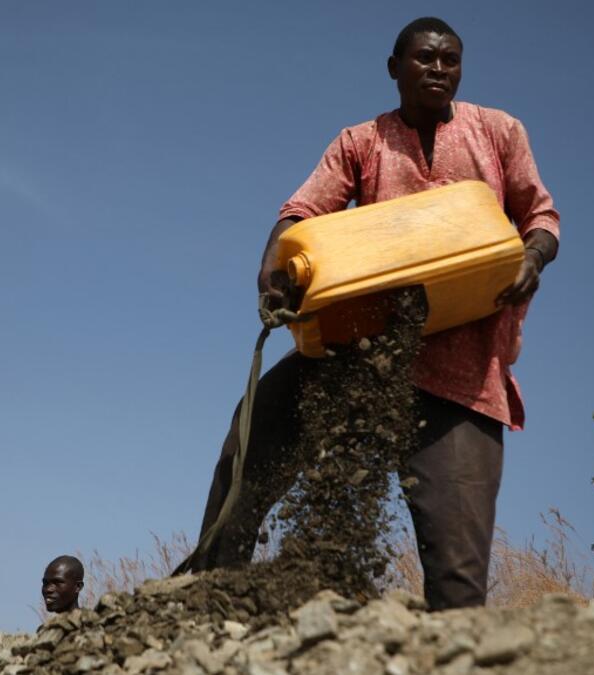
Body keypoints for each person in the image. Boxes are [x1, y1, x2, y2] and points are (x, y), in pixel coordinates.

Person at [190, 17, 560, 610]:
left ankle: (453, 650)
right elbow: (302, 211)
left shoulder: (499, 132)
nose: (438, 69)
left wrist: (533, 258)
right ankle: (208, 599)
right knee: (251, 439)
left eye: (450, 60)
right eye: (424, 58)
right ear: (394, 68)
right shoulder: (361, 141)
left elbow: (541, 217)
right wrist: (274, 268)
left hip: (461, 371)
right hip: (361, 351)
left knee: (458, 578)